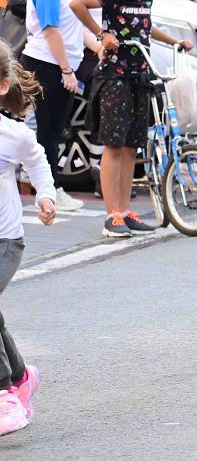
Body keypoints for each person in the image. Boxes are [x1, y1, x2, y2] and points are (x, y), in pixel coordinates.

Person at [70, 0, 193, 236]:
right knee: (113, 146)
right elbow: (77, 5)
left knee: (130, 148)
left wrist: (175, 41)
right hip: (114, 77)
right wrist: (102, 35)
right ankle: (112, 216)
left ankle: (125, 211)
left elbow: (146, 31)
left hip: (140, 76)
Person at [0, 39, 55, 435]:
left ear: (3, 86)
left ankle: (4, 396)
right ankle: (20, 377)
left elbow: (37, 160)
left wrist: (47, 195)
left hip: (4, 241)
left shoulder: (11, 133)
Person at [19, 0, 87, 212]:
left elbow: (69, 30)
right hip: (47, 64)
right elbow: (50, 31)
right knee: (49, 131)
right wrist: (66, 69)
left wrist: (97, 44)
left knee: (52, 130)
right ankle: (51, 189)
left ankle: (50, 187)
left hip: (52, 63)